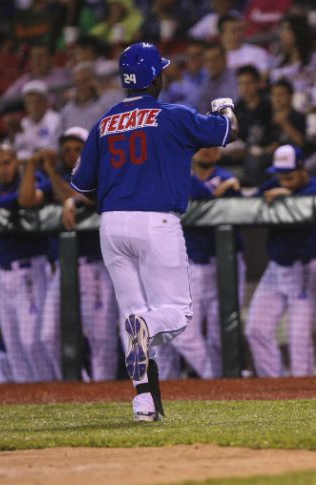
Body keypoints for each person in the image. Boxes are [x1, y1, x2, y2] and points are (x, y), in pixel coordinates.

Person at [71, 42, 238, 421]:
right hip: (156, 221)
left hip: (111, 224)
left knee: (131, 314)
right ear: (155, 76)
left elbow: (81, 184)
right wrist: (224, 104)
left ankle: (145, 403)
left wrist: (123, 186)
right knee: (175, 314)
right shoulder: (172, 114)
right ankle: (145, 330)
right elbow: (229, 131)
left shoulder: (104, 122)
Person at [35, 127, 121, 382]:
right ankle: (79, 386)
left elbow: (84, 195)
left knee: (102, 337)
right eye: (67, 149)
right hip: (65, 267)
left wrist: (70, 199)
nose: (71, 154)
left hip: (96, 264)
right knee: (48, 335)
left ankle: (103, 391)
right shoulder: (54, 176)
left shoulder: (101, 170)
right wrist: (50, 173)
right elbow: (31, 198)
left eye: (77, 149)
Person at [154, 146, 246, 379]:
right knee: (182, 331)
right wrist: (216, 192)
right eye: (202, 146)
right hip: (191, 266)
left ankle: (226, 380)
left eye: (213, 146)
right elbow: (196, 193)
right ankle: (214, 379)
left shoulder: (226, 178)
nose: (208, 151)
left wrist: (222, 189)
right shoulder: (181, 178)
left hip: (225, 266)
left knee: (220, 333)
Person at [244, 144, 316, 378]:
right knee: (256, 329)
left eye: (289, 175)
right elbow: (249, 204)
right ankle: (275, 386)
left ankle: (304, 395)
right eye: (280, 174)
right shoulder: (275, 184)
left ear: (303, 169)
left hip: (308, 270)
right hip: (277, 269)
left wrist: (289, 199)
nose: (283, 180)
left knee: (298, 338)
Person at [0, 142, 55, 383]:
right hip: (1, 274)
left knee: (33, 341)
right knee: (13, 345)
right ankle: (29, 400)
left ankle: (52, 393)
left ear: (17, 162)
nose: (3, 169)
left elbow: (24, 199)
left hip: (30, 269)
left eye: (7, 162)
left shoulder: (34, 180)